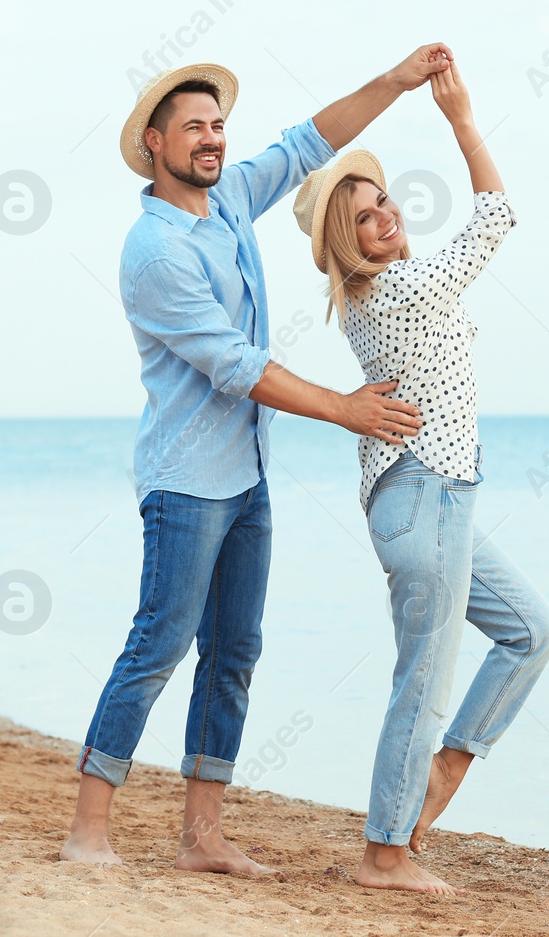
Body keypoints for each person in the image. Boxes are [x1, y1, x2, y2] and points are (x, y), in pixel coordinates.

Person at [59, 45, 452, 873]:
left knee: (235, 651)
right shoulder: (155, 250)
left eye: (217, 124)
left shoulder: (232, 198)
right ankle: (87, 829)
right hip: (185, 480)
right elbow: (236, 364)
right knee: (159, 643)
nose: (211, 137)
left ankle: (201, 837)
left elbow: (309, 142)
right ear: (156, 146)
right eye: (193, 127)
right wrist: (345, 408)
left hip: (246, 472)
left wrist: (395, 80)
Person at [292, 61, 549, 894]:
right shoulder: (396, 289)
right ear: (345, 244)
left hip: (432, 499)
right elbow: (495, 218)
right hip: (425, 494)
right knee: (424, 675)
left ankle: (438, 777)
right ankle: (385, 851)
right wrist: (463, 120)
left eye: (383, 204)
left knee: (530, 631)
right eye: (363, 218)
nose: (385, 218)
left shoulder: (381, 293)